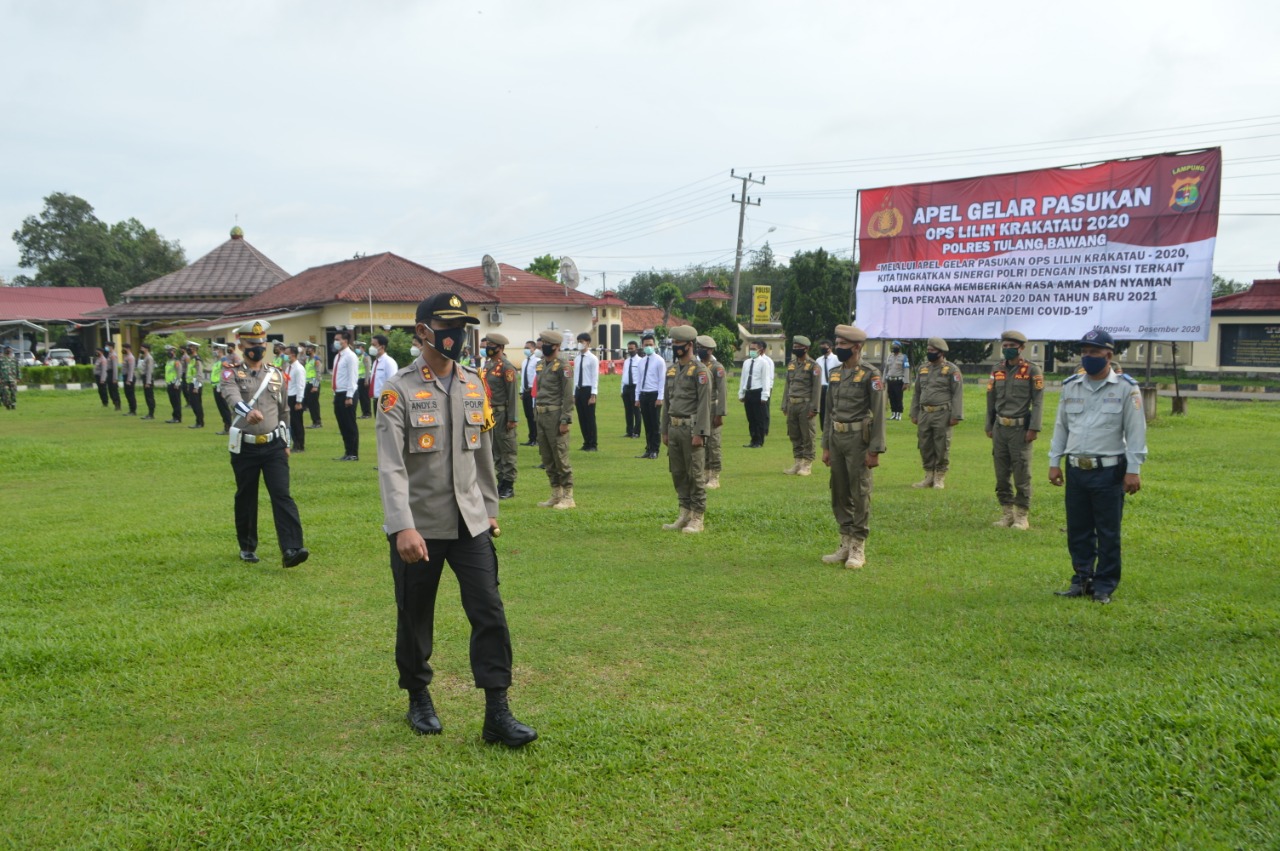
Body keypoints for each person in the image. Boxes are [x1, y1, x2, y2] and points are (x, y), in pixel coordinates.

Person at [375, 292, 537, 747]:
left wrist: (490, 509)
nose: (457, 336)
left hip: (471, 524)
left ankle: (497, 712)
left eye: (463, 327)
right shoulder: (398, 391)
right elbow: (390, 466)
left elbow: (483, 451)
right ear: (423, 332)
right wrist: (401, 525)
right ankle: (418, 696)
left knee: (489, 611)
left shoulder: (473, 384)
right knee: (415, 616)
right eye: (447, 327)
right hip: (420, 527)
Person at [1049, 329, 1146, 604]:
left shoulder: (1127, 388)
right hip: (1076, 469)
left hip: (1109, 470)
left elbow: (1136, 431)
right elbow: (1061, 427)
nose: (1088, 356)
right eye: (1084, 352)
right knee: (1078, 530)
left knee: (1108, 532)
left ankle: (1104, 585)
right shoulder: (1071, 386)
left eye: (1094, 352)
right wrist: (1054, 462)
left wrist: (1134, 469)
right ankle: (1081, 579)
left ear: (1109, 355)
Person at [219, 319, 308, 568]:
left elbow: (284, 411)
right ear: (240, 344)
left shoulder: (276, 373)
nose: (257, 347)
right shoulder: (231, 372)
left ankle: (292, 548)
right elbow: (230, 396)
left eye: (261, 343)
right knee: (246, 496)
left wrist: (287, 442)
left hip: (273, 446)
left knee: (282, 495)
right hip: (245, 446)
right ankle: (247, 547)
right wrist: (247, 411)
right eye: (251, 343)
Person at [820, 324, 887, 569]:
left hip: (859, 440)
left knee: (859, 492)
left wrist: (875, 449)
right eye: (837, 344)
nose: (838, 349)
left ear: (857, 347)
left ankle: (858, 546)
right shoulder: (835, 373)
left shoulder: (871, 375)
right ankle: (845, 542)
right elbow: (829, 413)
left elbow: (879, 414)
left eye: (843, 345)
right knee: (838, 492)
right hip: (837, 439)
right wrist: (826, 446)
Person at [985, 330, 1045, 530]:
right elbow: (991, 399)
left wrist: (1034, 427)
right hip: (1000, 428)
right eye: (1005, 346)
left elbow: (1038, 401)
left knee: (1021, 473)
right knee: (1001, 474)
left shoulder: (1032, 370)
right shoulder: (997, 369)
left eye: (1012, 346)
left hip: (1021, 429)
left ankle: (1021, 515)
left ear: (1021, 348)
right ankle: (1007, 513)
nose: (1008, 349)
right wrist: (989, 424)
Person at [660, 326, 711, 533]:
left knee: (695, 474)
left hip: (692, 429)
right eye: (673, 343)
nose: (675, 347)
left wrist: (700, 433)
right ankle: (684, 513)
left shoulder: (700, 371)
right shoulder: (672, 370)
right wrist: (664, 429)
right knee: (678, 472)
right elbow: (667, 402)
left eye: (678, 344)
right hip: (674, 428)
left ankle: (698, 517)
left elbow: (704, 405)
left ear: (690, 345)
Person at [909, 337, 963, 489]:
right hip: (924, 413)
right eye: (928, 351)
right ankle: (928, 476)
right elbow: (917, 392)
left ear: (941, 352)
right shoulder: (923, 368)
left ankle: (939, 476)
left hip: (942, 413)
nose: (929, 353)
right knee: (925, 444)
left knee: (941, 445)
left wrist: (956, 415)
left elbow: (957, 393)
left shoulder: (952, 370)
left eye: (932, 351)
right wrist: (914, 413)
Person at [533, 329, 576, 509]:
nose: (543, 346)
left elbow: (568, 396)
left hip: (555, 415)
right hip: (541, 414)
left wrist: (565, 420)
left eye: (546, 343)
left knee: (560, 455)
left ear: (556, 346)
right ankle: (555, 493)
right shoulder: (541, 365)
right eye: (542, 343)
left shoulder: (564, 366)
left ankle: (568, 496)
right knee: (547, 456)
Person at [480, 332, 520, 499]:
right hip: (490, 413)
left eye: (491, 346)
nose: (488, 348)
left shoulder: (507, 367)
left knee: (507, 450)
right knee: (495, 450)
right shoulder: (488, 365)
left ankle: (508, 485)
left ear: (500, 348)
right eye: (487, 345)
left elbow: (512, 395)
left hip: (503, 414)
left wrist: (512, 418)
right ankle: (501, 481)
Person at [783, 335, 823, 476]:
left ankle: (807, 464)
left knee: (808, 435)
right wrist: (785, 404)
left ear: (806, 348)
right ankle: (798, 462)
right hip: (792, 404)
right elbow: (788, 385)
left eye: (798, 347)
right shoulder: (792, 364)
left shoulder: (814, 366)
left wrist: (814, 408)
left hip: (805, 404)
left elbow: (817, 388)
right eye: (794, 346)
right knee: (794, 434)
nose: (795, 349)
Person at [696, 334, 726, 490]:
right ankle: (705, 473)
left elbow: (722, 392)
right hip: (699, 410)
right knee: (702, 443)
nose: (699, 350)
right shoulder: (697, 366)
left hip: (713, 409)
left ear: (710, 350)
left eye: (703, 348)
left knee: (713, 444)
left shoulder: (717, 367)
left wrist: (720, 413)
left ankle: (714, 476)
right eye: (698, 347)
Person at [634, 332, 666, 459]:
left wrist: (660, 397)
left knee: (655, 424)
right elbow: (639, 380)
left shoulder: (659, 361)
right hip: (643, 394)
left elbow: (662, 380)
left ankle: (655, 450)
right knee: (647, 424)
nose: (648, 347)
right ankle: (648, 448)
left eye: (651, 344)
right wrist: (637, 398)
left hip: (654, 395)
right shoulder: (641, 362)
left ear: (654, 345)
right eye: (646, 345)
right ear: (642, 345)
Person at [738, 340, 774, 448]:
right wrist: (741, 393)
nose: (751, 351)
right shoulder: (746, 362)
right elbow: (743, 379)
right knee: (751, 418)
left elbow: (766, 380)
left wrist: (765, 395)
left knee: (759, 418)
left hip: (758, 392)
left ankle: (759, 441)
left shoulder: (764, 363)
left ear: (760, 350)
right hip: (749, 392)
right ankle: (753, 439)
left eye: (754, 349)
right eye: (750, 349)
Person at [331, 330, 361, 461]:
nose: (336, 342)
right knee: (342, 424)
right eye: (335, 339)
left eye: (338, 339)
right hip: (338, 393)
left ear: (345, 341)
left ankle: (353, 453)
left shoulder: (350, 356)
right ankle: (347, 451)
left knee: (349, 425)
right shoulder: (338, 356)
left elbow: (352, 378)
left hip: (347, 393)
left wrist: (349, 396)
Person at [573, 331, 599, 452]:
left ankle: (593, 443)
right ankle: (586, 442)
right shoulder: (577, 358)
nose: (580, 344)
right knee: (582, 417)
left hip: (588, 390)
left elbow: (595, 378)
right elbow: (575, 376)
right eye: (578, 342)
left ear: (588, 342)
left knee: (590, 418)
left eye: (581, 342)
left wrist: (593, 395)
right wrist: (574, 394)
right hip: (579, 390)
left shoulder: (593, 358)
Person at [369, 334, 398, 411]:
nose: (371, 347)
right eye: (371, 344)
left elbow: (393, 383)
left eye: (374, 345)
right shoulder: (376, 362)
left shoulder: (389, 362)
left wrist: (388, 402)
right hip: (376, 399)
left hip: (385, 400)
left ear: (382, 347)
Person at [210, 343, 234, 434]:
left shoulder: (224, 361)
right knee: (221, 408)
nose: (214, 351)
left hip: (220, 387)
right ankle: (226, 426)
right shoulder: (218, 361)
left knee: (224, 408)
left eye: (216, 349)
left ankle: (228, 427)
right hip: (215, 387)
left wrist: (222, 387)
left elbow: (226, 374)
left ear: (220, 350)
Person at [287, 345, 307, 452]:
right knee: (291, 423)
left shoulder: (299, 368)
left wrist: (299, 401)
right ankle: (295, 443)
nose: (285, 356)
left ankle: (300, 445)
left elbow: (300, 386)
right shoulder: (289, 367)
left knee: (297, 422)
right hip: (289, 396)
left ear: (293, 355)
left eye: (287, 354)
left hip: (296, 398)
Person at [815, 340, 839, 430]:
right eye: (821, 348)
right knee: (822, 410)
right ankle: (824, 430)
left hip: (832, 387)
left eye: (824, 347)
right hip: (821, 388)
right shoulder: (819, 360)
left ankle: (832, 428)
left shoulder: (837, 359)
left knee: (832, 409)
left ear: (830, 348)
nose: (823, 349)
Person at [519, 340, 539, 446]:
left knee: (533, 415)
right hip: (526, 391)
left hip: (533, 391)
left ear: (534, 349)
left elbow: (537, 377)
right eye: (525, 347)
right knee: (528, 415)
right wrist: (521, 391)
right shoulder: (524, 362)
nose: (526, 349)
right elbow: (523, 377)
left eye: (528, 347)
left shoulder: (537, 361)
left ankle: (536, 438)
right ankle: (531, 438)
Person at [620, 340, 642, 438]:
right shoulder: (626, 361)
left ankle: (636, 431)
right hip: (626, 387)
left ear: (636, 349)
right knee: (628, 411)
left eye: (632, 349)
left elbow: (641, 376)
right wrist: (622, 389)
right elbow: (624, 375)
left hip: (635, 387)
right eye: (629, 349)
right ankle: (629, 431)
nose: (630, 351)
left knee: (636, 410)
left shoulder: (640, 361)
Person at [884, 341, 910, 420]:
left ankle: (899, 414)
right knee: (891, 398)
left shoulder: (904, 357)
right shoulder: (889, 357)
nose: (894, 347)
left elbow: (906, 369)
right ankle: (893, 414)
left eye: (896, 346)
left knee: (898, 397)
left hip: (898, 381)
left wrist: (906, 382)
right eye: (893, 346)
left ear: (899, 347)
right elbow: (886, 369)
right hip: (890, 380)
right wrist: (883, 380)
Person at [183, 341, 205, 429]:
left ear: (195, 349)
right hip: (191, 384)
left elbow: (199, 374)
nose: (188, 349)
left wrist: (196, 386)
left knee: (197, 404)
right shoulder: (192, 359)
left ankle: (199, 422)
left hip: (196, 385)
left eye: (190, 347)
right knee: (193, 403)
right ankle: (198, 421)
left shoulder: (197, 359)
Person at [304, 342, 323, 428]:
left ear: (313, 350)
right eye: (307, 348)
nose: (307, 350)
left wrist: (315, 386)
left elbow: (318, 373)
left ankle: (317, 422)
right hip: (308, 384)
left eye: (309, 348)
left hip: (313, 384)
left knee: (314, 404)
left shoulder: (316, 360)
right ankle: (314, 422)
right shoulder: (308, 360)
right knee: (310, 404)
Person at [163, 344, 183, 423]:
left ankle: (177, 418)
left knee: (176, 401)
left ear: (174, 351)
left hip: (175, 384)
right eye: (167, 351)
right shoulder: (169, 361)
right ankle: (174, 416)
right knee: (173, 401)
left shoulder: (176, 361)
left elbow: (179, 372)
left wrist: (177, 383)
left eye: (169, 351)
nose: (168, 352)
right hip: (170, 384)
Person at [138, 343, 157, 419]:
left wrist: (148, 382)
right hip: (144, 377)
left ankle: (151, 414)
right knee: (147, 396)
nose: (141, 349)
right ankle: (149, 413)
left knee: (149, 396)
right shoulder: (144, 357)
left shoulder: (149, 358)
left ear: (147, 349)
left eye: (142, 348)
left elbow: (149, 370)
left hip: (147, 378)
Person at [354, 340, 372, 419]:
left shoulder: (365, 357)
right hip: (359, 379)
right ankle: (364, 413)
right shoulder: (358, 357)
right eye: (356, 347)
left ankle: (367, 413)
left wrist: (366, 380)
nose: (357, 349)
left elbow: (367, 369)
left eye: (358, 347)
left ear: (363, 348)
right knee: (360, 397)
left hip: (364, 379)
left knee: (365, 397)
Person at [121, 344, 138, 415]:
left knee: (130, 394)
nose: (123, 349)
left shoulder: (130, 357)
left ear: (128, 348)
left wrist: (129, 380)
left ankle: (133, 410)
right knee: (127, 394)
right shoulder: (126, 357)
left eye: (124, 348)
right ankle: (131, 409)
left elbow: (131, 369)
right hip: (126, 377)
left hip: (129, 377)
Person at [104, 343, 122, 411]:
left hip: (112, 374)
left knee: (114, 391)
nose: (106, 347)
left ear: (111, 347)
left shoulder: (113, 355)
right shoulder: (109, 355)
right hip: (109, 373)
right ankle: (115, 403)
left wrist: (115, 378)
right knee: (110, 390)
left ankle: (117, 405)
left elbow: (115, 368)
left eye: (107, 346)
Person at [0, 345, 17, 410]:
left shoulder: (13, 359)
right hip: (4, 379)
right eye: (7, 349)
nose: (8, 350)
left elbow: (17, 368)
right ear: (4, 350)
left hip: (12, 379)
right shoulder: (1, 359)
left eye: (9, 349)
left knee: (13, 392)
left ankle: (13, 404)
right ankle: (7, 404)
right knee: (5, 392)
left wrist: (18, 377)